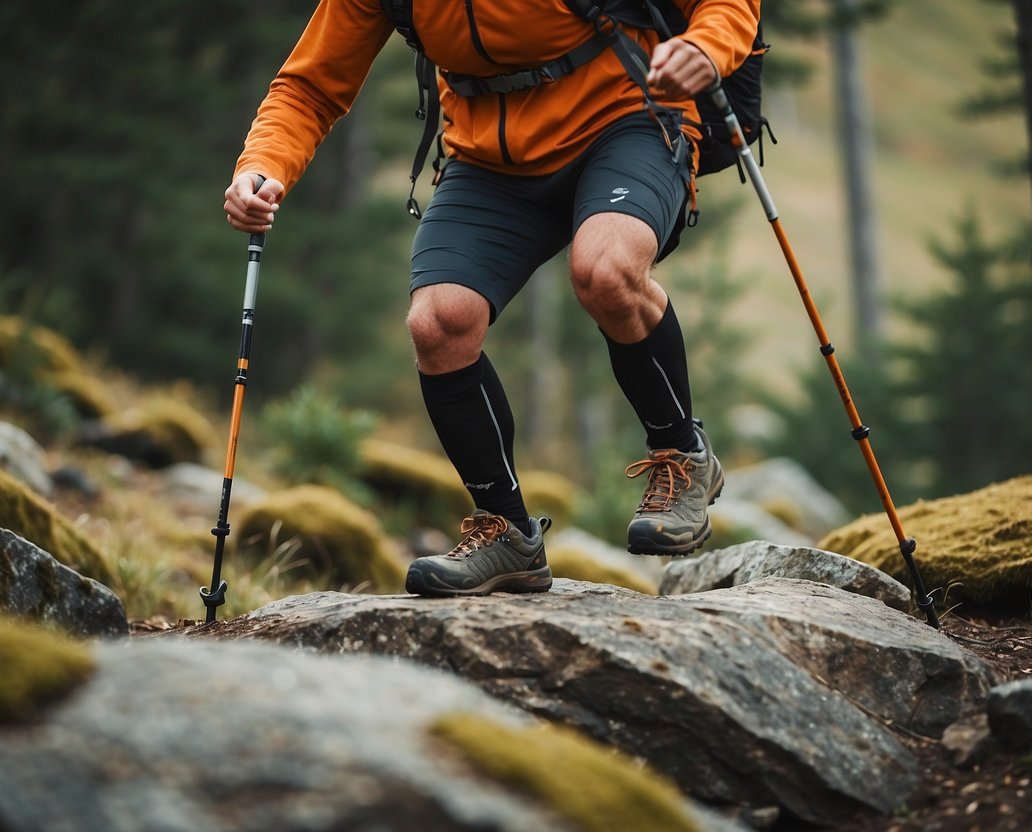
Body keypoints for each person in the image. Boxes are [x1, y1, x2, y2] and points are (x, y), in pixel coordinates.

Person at [223, 0, 759, 598]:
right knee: (438, 321)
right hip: (489, 158)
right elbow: (312, 85)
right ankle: (508, 533)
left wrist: (706, 47)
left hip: (625, 117)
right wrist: (262, 165)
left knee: (606, 270)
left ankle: (681, 454)